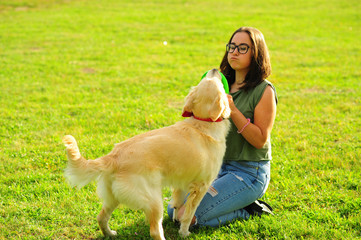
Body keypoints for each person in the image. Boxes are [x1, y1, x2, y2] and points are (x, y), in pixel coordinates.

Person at [168, 26, 277, 227]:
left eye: (243, 48)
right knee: (172, 210)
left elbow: (260, 140)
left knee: (188, 217)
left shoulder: (264, 90)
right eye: (232, 46)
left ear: (256, 54)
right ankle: (231, 202)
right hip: (216, 167)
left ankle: (248, 210)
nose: (234, 52)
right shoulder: (220, 84)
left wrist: (233, 110)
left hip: (247, 172)